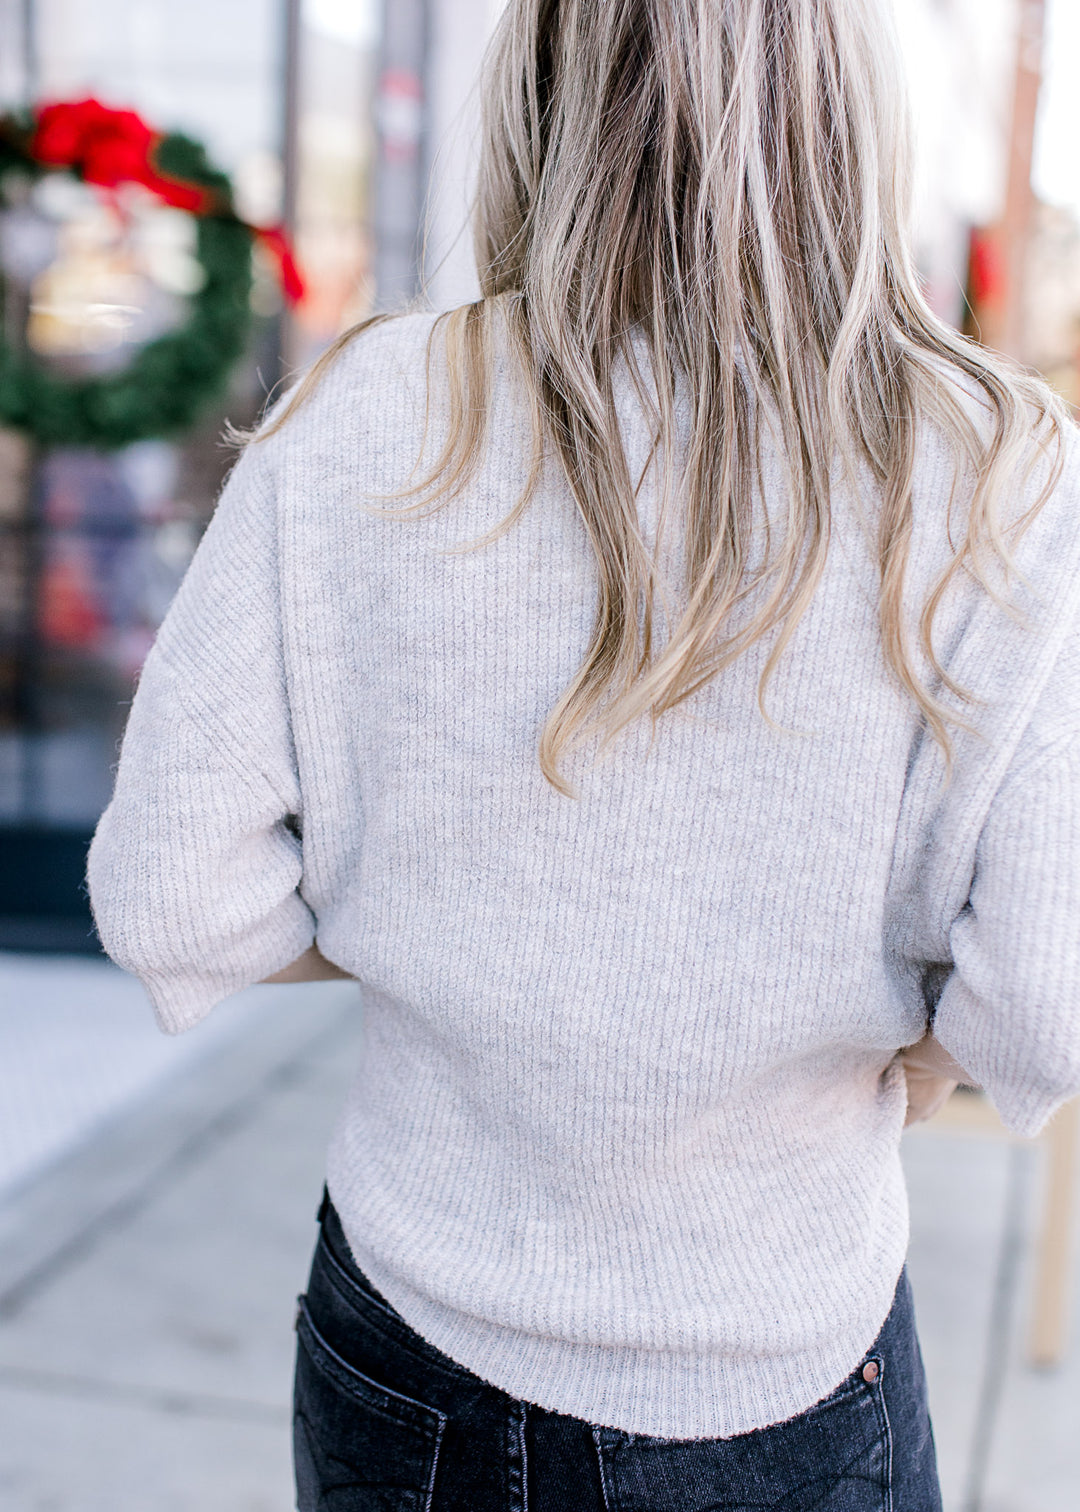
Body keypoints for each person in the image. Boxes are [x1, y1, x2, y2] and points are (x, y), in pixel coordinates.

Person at [87, 0, 1080, 1507]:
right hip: (778, 1354)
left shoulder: (366, 416)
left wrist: (458, 939)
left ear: (537, 91)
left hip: (406, 1332)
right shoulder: (998, 470)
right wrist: (922, 1054)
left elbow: (171, 897)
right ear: (851, 107)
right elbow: (1048, 1003)